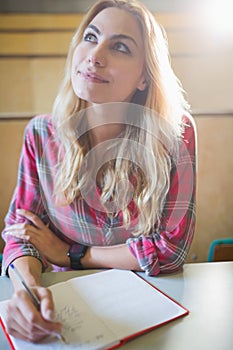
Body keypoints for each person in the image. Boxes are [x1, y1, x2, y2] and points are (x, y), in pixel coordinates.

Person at [1, 0, 196, 342]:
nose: (95, 55)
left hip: (152, 305)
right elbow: (21, 233)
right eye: (90, 37)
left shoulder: (175, 134)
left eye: (120, 46)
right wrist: (27, 288)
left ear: (144, 77)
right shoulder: (40, 135)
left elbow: (170, 248)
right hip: (67, 302)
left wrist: (74, 255)